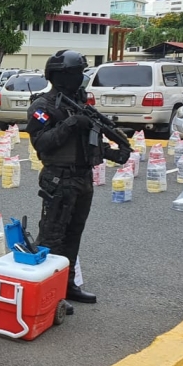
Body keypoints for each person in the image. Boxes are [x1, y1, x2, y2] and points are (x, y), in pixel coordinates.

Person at [26, 50, 130, 308]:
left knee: (73, 235)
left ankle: (67, 284)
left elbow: (87, 144)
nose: (81, 78)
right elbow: (42, 143)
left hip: (82, 178)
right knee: (51, 237)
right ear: (61, 75)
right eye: (76, 73)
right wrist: (70, 124)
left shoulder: (79, 104)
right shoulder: (43, 107)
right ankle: (45, 294)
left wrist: (113, 152)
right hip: (59, 179)